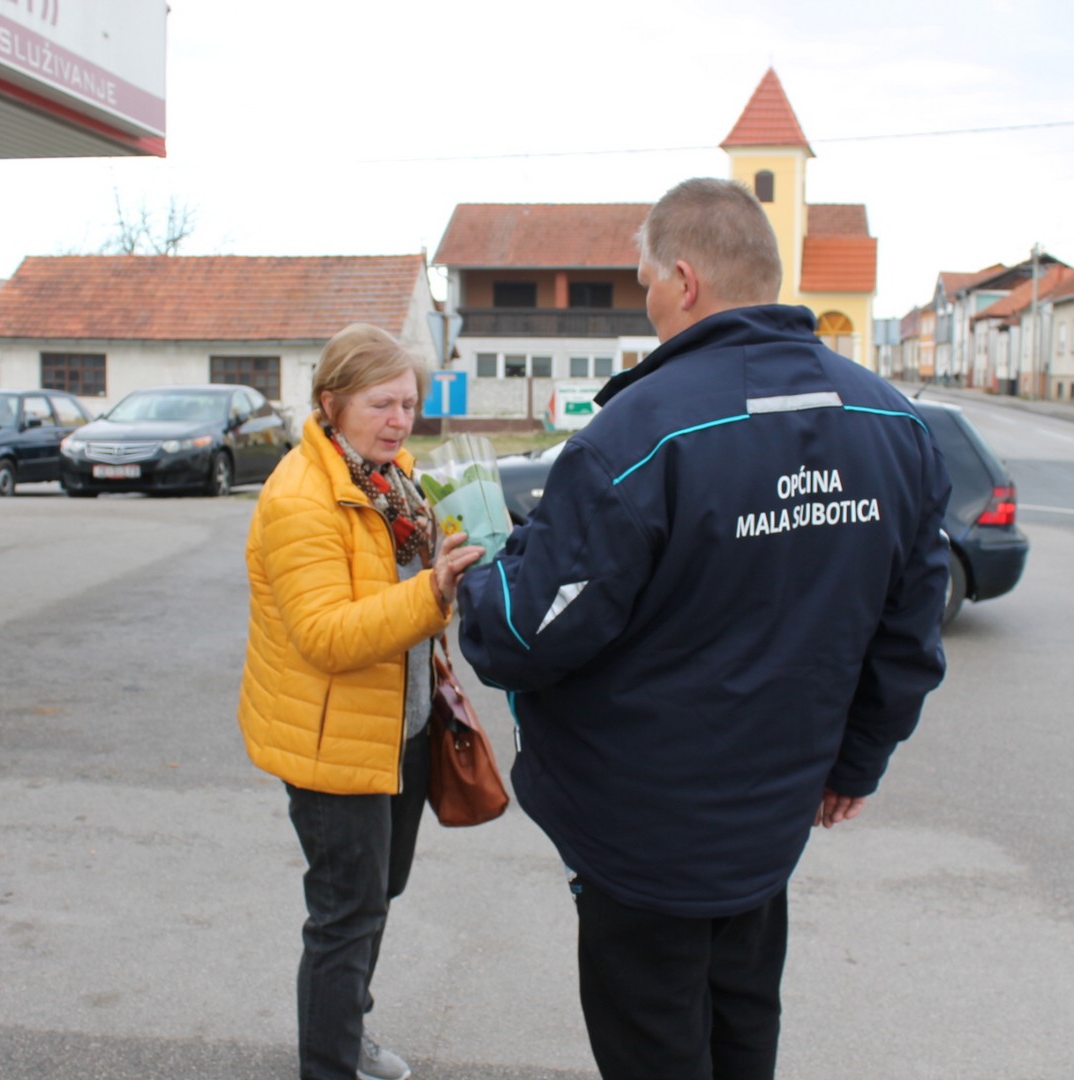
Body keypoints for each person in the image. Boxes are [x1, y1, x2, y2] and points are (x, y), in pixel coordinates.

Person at [457, 178, 951, 1079]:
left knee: (657, 1045)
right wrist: (855, 764)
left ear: (683, 279)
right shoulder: (894, 425)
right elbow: (908, 633)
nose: (645, 297)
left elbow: (526, 636)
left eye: (645, 277)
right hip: (771, 821)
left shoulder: (637, 435)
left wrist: (486, 577)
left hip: (645, 836)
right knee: (741, 1031)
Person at [236, 323, 483, 1080]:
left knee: (380, 892)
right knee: (345, 917)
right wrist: (431, 592)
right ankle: (332, 1063)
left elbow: (406, 584)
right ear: (331, 403)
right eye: (382, 404)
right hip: (329, 743)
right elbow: (327, 638)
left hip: (396, 727)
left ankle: (349, 1031)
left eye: (409, 403)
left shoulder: (391, 480)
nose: (400, 420)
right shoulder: (302, 499)